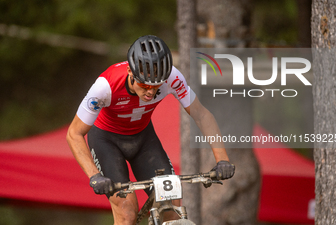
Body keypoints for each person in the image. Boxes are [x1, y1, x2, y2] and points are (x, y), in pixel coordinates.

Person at [66, 35, 235, 225]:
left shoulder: (172, 77)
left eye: (156, 86)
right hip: (107, 141)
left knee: (171, 205)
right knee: (127, 212)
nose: (150, 92)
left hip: (143, 139)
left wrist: (222, 160)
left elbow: (202, 115)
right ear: (130, 71)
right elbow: (74, 134)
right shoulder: (106, 86)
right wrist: (94, 176)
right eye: (145, 85)